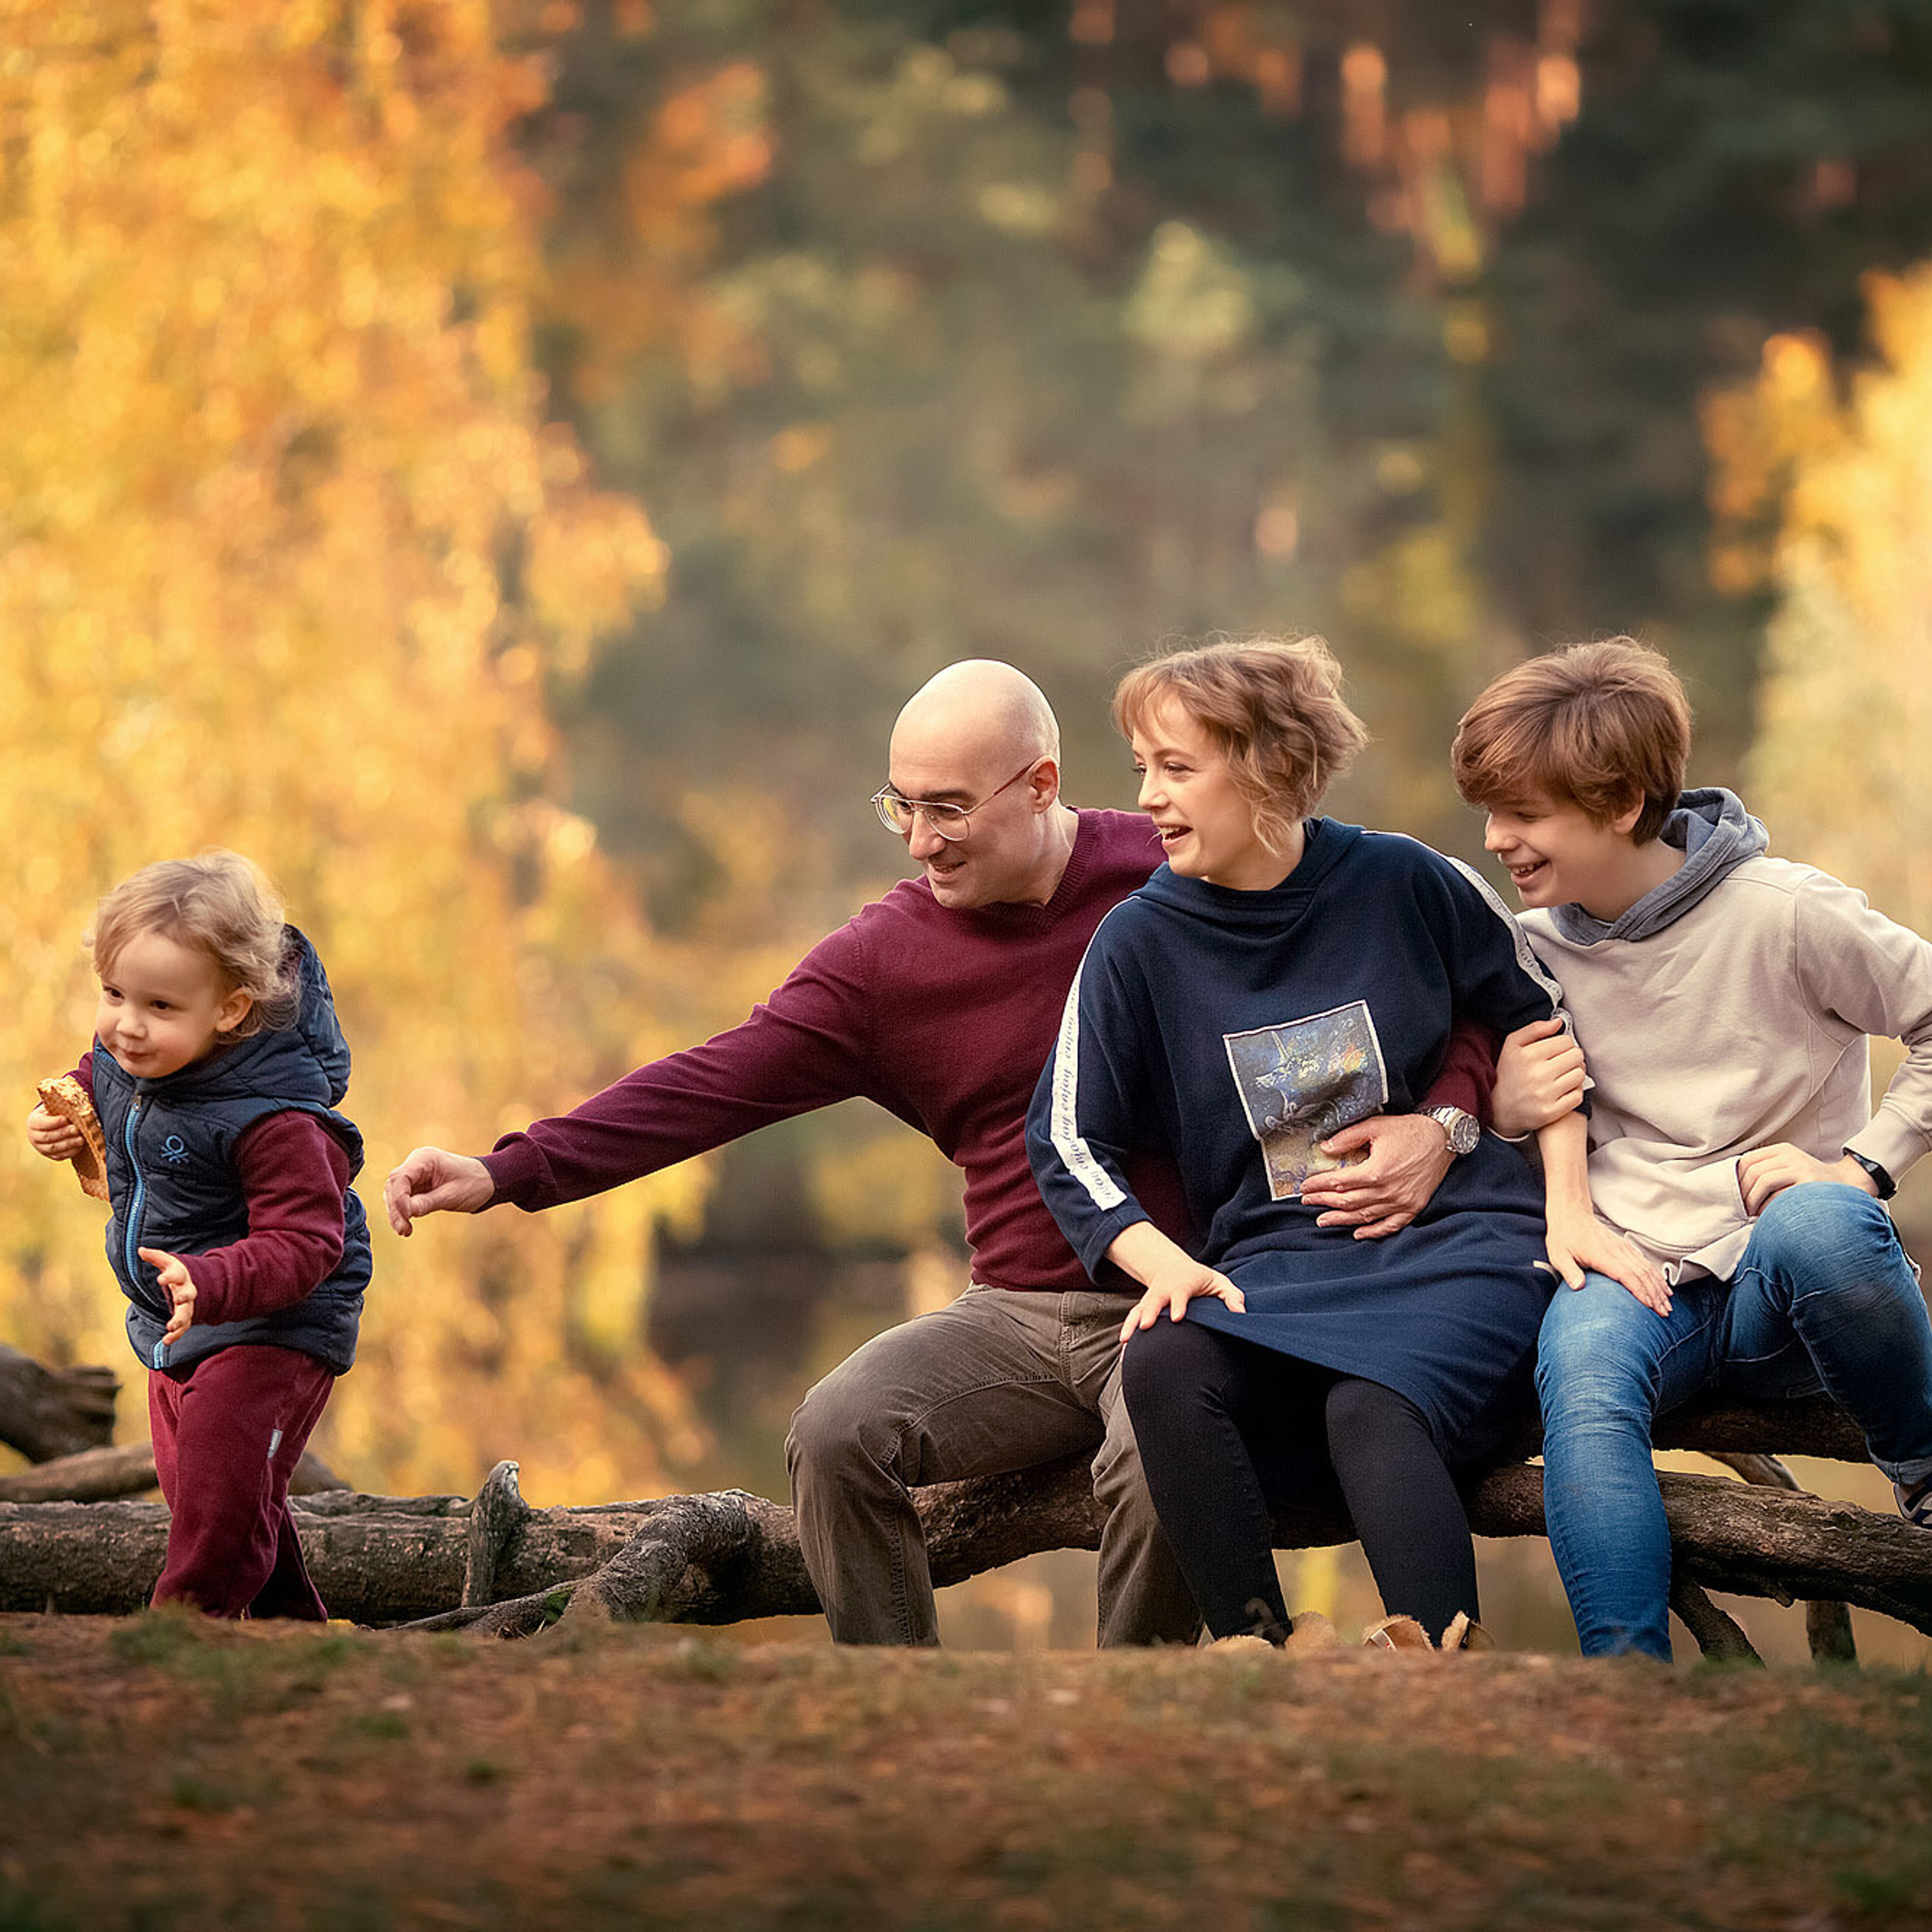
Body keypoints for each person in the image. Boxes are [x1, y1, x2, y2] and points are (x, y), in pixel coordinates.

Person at [385, 659, 1497, 1647]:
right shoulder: (884, 961)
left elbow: (1394, 990)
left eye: (951, 808)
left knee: (1152, 1459)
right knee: (835, 1429)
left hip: (1189, 1293)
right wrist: (510, 1170)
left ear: (1043, 784)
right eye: (902, 809)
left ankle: (1132, 1713)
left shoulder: (1171, 877)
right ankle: (894, 1693)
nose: (922, 842)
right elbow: (715, 1080)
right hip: (1012, 1312)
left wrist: (1443, 1118)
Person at [1026, 635, 1643, 1651]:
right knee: (1167, 1362)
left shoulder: (1406, 881)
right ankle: (1255, 1649)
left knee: (1370, 1404)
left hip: (1460, 1250)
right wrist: (1166, 1265)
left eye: (1177, 768)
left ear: (1267, 767)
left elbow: (1543, 1020)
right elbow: (1064, 1138)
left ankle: (1440, 1668)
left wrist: (1515, 1171)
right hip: (1277, 1271)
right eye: (1143, 767)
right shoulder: (1137, 943)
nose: (1147, 796)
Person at [1457, 638, 1932, 1660]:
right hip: (1639, 1275)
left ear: (1622, 802)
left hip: (1790, 1287)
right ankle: (1627, 1684)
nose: (1498, 839)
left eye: (1525, 813)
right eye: (1489, 813)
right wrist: (1498, 1106)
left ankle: (1925, 1473)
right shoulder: (1531, 949)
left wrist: (1862, 1167)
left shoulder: (1789, 913)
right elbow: (1503, 1111)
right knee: (1580, 1375)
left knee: (1824, 1222)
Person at [27, 851, 371, 1619]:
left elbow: (309, 1242)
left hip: (273, 1322)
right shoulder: (131, 1060)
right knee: (219, 1496)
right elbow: (99, 1079)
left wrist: (212, 1281)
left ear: (230, 1010)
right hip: (171, 1317)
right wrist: (67, 1113)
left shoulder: (275, 1117)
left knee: (219, 1506)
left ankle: (181, 1633)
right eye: (113, 993)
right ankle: (294, 1637)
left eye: (157, 1005)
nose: (125, 1024)